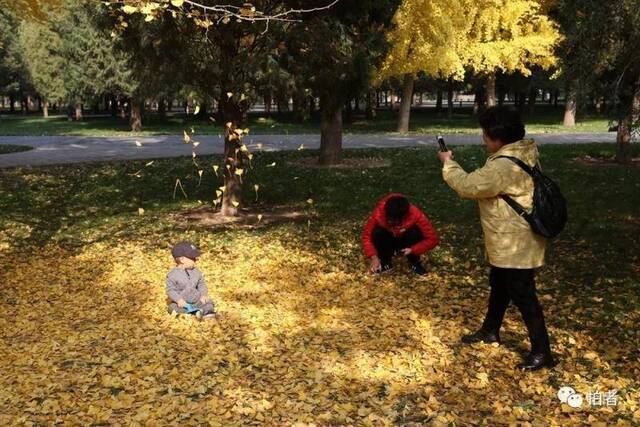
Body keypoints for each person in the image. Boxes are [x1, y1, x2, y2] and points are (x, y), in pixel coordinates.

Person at [437, 106, 554, 371]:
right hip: (512, 238)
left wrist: (447, 162)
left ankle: (542, 352)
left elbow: (468, 185)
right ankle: (490, 331)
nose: (483, 139)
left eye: (486, 135)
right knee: (500, 284)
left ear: (499, 138)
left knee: (524, 295)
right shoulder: (524, 150)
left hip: (514, 242)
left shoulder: (503, 166)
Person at [362, 193, 439, 275]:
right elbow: (366, 237)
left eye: (395, 221)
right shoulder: (378, 213)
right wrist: (374, 257)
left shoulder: (415, 214)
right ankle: (385, 262)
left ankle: (414, 262)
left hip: (406, 241)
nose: (390, 222)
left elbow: (432, 239)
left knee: (414, 232)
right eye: (389, 218)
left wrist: (413, 250)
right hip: (387, 240)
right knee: (377, 232)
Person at [166, 241, 217, 320]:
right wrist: (179, 300)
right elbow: (170, 290)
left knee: (209, 302)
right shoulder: (172, 275)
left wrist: (203, 295)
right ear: (182, 259)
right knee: (172, 308)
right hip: (183, 303)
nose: (196, 260)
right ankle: (188, 314)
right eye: (193, 258)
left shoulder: (196, 271)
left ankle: (207, 312)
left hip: (197, 300)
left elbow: (201, 284)